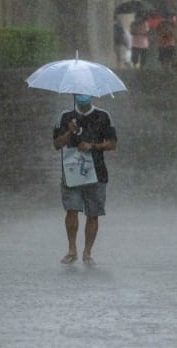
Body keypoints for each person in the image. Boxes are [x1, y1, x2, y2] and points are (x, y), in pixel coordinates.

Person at [53, 93, 117, 265]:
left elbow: (112, 143)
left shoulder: (103, 116)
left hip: (97, 172)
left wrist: (93, 146)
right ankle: (71, 249)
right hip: (71, 170)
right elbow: (57, 144)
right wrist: (69, 132)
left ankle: (87, 251)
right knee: (72, 209)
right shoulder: (65, 117)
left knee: (93, 213)